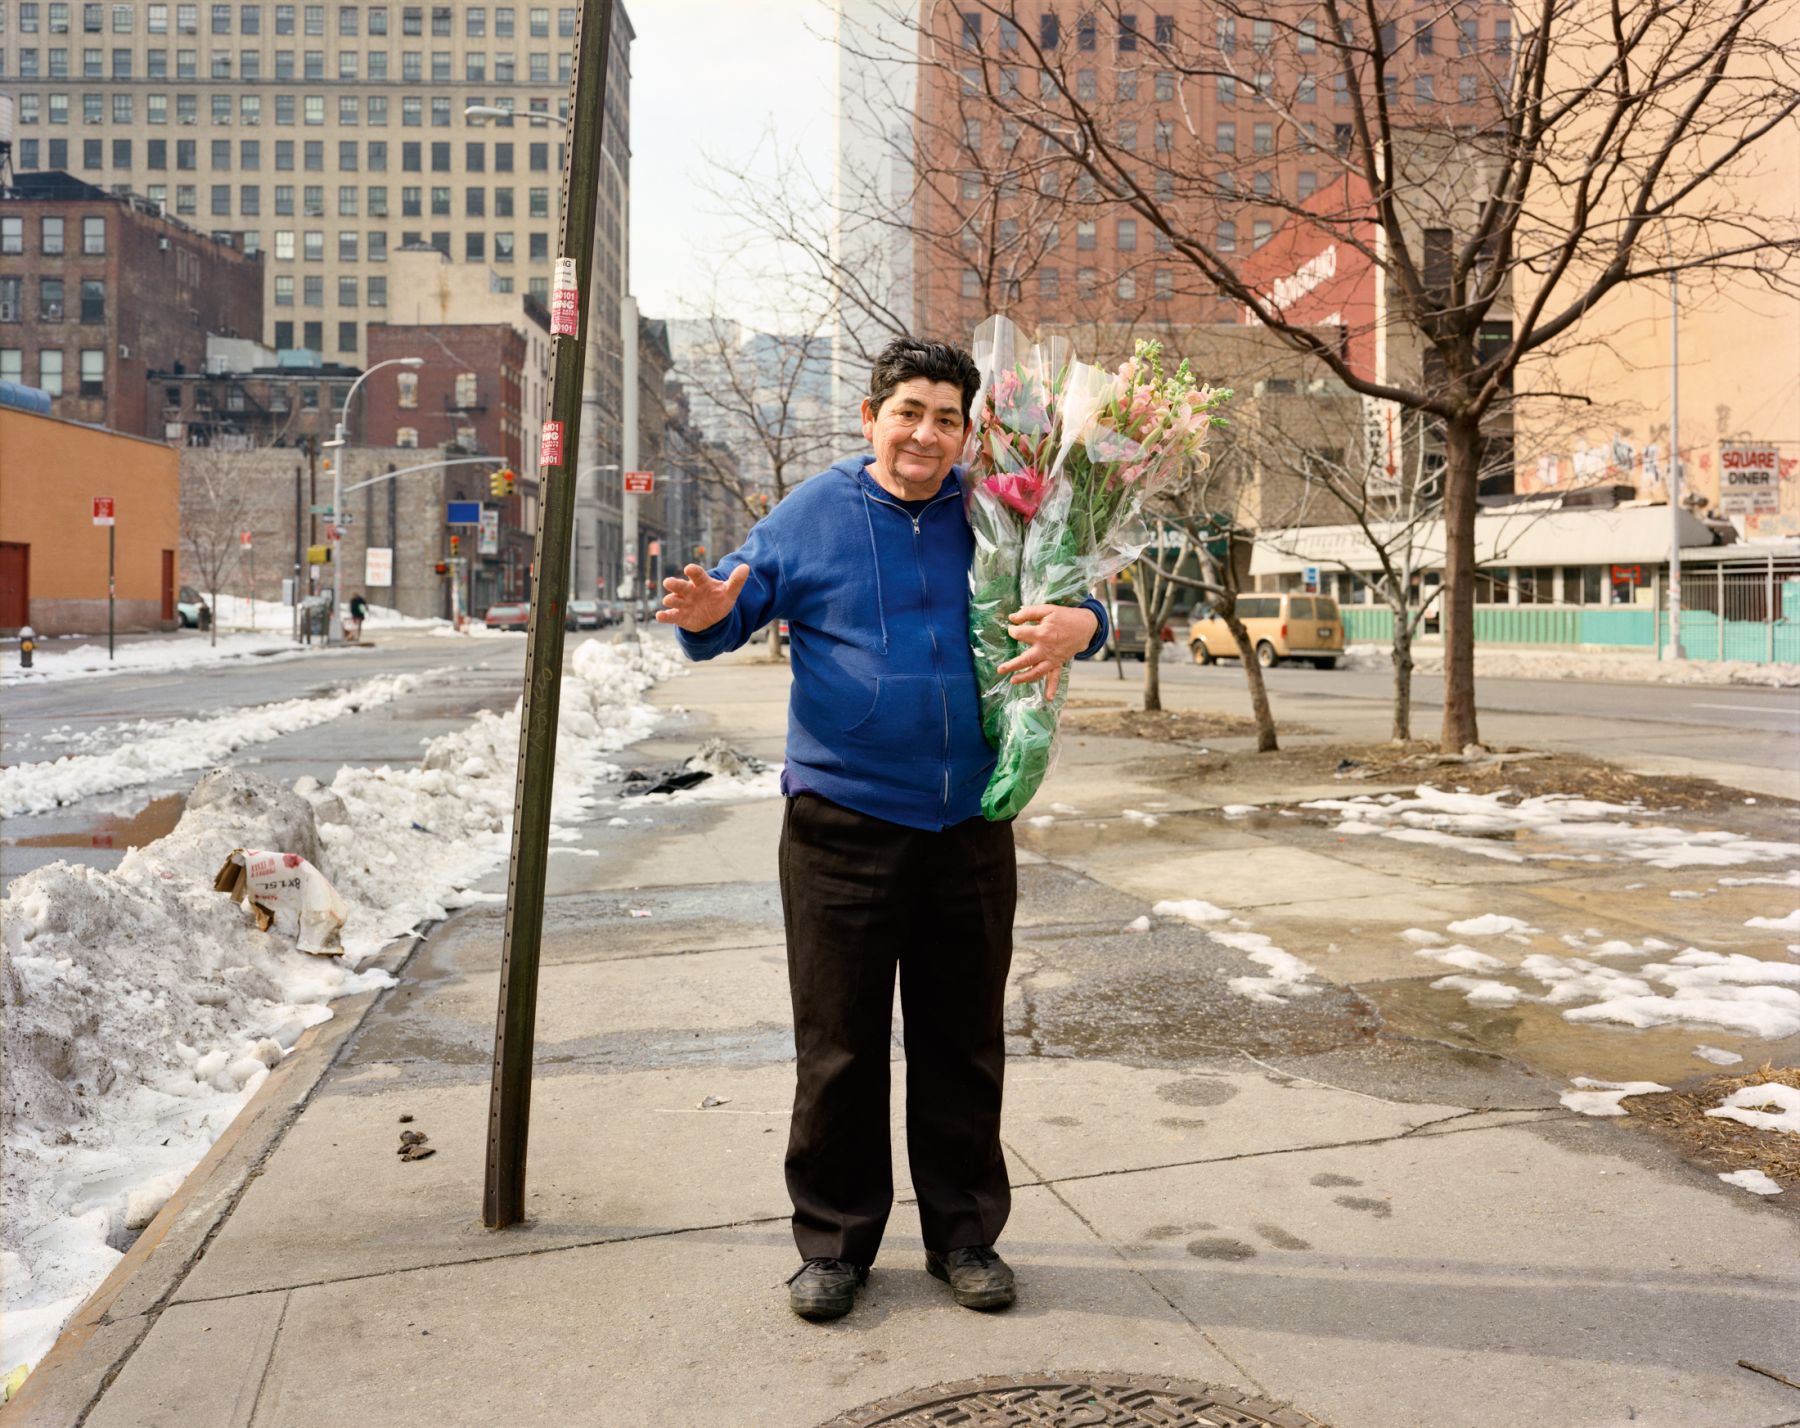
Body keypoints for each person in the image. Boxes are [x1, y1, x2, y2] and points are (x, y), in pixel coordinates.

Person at [658, 338, 1108, 1322]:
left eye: (948, 417)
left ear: (967, 430)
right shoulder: (816, 511)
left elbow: (1075, 591)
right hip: (841, 827)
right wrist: (703, 611)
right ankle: (833, 1246)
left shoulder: (996, 508)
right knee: (840, 1048)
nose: (927, 433)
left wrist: (1088, 626)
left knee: (963, 1045)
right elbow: (730, 605)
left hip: (969, 825)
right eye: (910, 411)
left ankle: (965, 1239)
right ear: (871, 418)